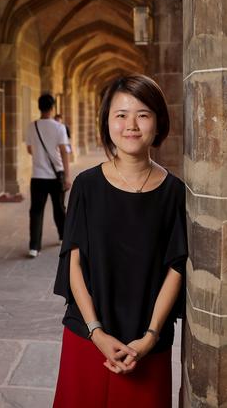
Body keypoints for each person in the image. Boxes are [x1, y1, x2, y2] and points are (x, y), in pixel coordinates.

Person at [52, 75, 187, 407]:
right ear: (107, 121)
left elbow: (177, 267)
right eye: (121, 114)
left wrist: (150, 337)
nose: (131, 125)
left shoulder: (174, 192)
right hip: (88, 336)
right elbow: (74, 263)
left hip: (147, 344)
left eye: (142, 114)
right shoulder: (86, 185)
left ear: (158, 122)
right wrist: (97, 333)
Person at [26, 94, 71, 258]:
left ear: (39, 107)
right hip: (55, 175)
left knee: (36, 211)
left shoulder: (32, 126)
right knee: (59, 208)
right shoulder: (59, 127)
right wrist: (67, 176)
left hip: (37, 176)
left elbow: (29, 150)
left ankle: (34, 246)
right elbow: (65, 151)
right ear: (53, 108)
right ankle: (63, 237)